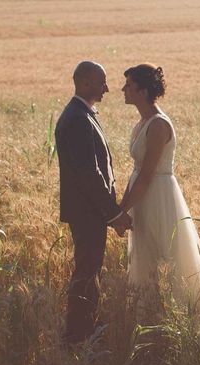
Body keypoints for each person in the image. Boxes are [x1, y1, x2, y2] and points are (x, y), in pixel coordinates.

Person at [119, 63, 200, 316]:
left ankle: (182, 317)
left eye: (129, 85)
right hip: (142, 195)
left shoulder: (158, 125)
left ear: (143, 91)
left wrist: (121, 210)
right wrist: (122, 206)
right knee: (144, 259)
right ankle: (147, 318)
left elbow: (147, 175)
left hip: (158, 196)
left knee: (172, 259)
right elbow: (137, 173)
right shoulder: (141, 122)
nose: (123, 89)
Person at [55, 61, 133, 344]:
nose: (107, 89)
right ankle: (77, 338)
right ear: (86, 83)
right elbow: (90, 173)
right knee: (86, 273)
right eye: (102, 83)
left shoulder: (80, 114)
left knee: (89, 271)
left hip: (88, 211)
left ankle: (84, 333)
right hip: (87, 212)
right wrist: (113, 214)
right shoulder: (77, 118)